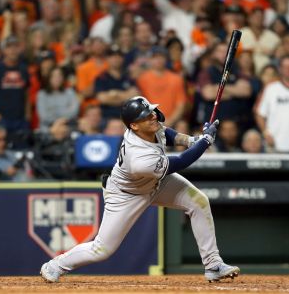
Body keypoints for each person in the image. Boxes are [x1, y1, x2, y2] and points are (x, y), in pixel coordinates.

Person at [40, 96, 240, 283]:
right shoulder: (138, 157)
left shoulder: (146, 127)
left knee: (199, 201)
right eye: (146, 116)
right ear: (134, 125)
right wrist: (205, 142)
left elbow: (166, 133)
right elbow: (179, 162)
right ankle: (56, 265)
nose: (153, 116)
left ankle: (213, 265)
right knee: (101, 249)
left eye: (151, 111)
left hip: (155, 183)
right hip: (126, 195)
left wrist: (191, 140)